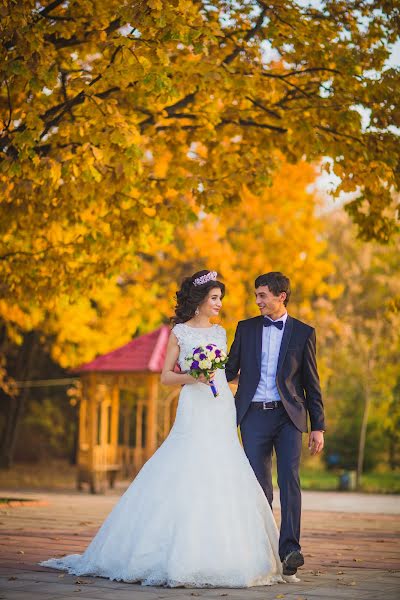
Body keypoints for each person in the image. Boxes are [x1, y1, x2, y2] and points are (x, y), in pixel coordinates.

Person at [40, 270, 289, 588]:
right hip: (194, 405)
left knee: (223, 467)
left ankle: (227, 553)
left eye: (220, 299)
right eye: (214, 298)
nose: (219, 304)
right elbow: (165, 377)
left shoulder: (221, 333)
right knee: (184, 464)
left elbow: (227, 373)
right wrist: (194, 376)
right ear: (199, 301)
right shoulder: (180, 333)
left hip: (220, 406)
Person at [225, 271, 326, 577]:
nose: (257, 301)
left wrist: (318, 425)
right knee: (258, 486)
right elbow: (229, 369)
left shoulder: (304, 333)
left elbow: (311, 382)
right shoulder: (246, 329)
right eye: (256, 295)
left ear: (281, 296)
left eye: (262, 295)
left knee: (289, 481)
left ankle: (290, 549)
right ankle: (263, 548)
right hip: (253, 415)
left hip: (289, 417)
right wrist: (199, 369)